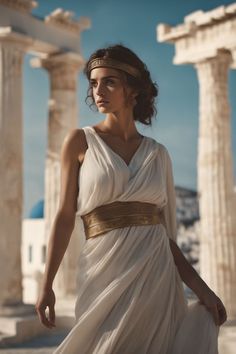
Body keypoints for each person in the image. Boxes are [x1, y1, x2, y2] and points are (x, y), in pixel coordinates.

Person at [35, 43, 227, 354]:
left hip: (156, 276)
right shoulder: (80, 141)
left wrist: (202, 289)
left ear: (133, 89)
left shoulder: (158, 154)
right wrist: (47, 286)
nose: (98, 90)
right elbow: (64, 217)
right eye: (94, 82)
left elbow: (164, 236)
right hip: (102, 271)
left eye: (110, 81)